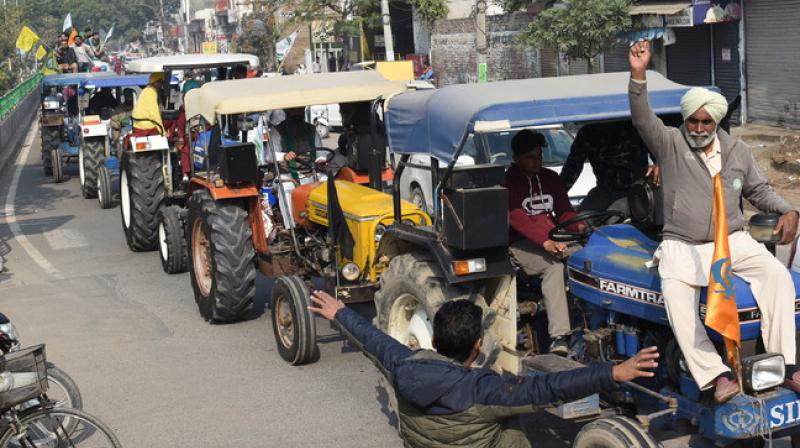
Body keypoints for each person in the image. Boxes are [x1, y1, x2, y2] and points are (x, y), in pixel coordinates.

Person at [628, 40, 800, 403]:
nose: (700, 127)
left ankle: (786, 367)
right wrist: (638, 74)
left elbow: (759, 190)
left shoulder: (738, 151)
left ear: (717, 121)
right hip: (683, 245)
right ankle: (716, 375)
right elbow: (643, 118)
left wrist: (789, 210)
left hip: (732, 239)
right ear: (685, 119)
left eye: (707, 121)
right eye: (694, 120)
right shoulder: (671, 143)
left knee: (778, 278)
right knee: (677, 300)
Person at [308, 291, 659, 448]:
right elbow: (548, 389)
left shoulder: (403, 365)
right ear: (477, 347)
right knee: (515, 422)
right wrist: (612, 373)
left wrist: (340, 313)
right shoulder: (482, 389)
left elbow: (371, 340)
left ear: (434, 336)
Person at [504, 130, 585, 355]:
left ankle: (589, 321)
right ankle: (559, 337)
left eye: (539, 156)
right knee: (554, 268)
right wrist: (545, 242)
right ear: (517, 158)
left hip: (554, 238)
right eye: (530, 157)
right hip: (521, 243)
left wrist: (578, 226)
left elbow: (564, 211)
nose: (536, 161)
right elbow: (517, 217)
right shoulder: (508, 183)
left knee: (587, 259)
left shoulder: (550, 178)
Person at [560, 121, 660, 214]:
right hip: (604, 190)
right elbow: (572, 168)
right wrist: (556, 194)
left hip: (635, 192)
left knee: (613, 219)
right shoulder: (587, 132)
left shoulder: (636, 128)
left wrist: (658, 166)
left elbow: (661, 156)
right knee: (580, 222)